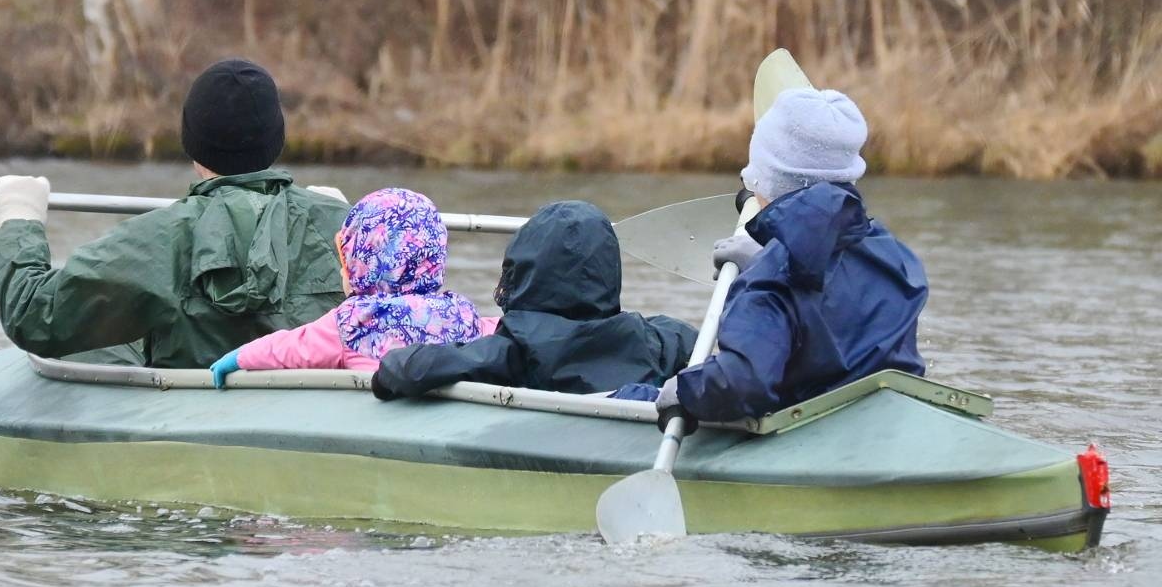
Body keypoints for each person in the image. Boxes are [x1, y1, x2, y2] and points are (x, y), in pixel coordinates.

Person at [0, 59, 350, 367]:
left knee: (97, 343)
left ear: (193, 145)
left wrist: (20, 218)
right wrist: (339, 214)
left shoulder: (160, 236)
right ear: (277, 139)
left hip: (197, 413)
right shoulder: (351, 227)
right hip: (313, 404)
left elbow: (33, 317)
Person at [614, 87, 929, 428]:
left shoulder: (771, 278)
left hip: (800, 431)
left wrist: (684, 390)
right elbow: (836, 303)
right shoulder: (895, 254)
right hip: (881, 419)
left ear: (767, 180)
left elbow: (743, 384)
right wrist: (770, 259)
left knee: (636, 394)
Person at [371, 200, 698, 399]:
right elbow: (696, 342)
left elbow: (407, 369)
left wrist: (389, 371)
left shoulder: (513, 348)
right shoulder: (659, 338)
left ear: (525, 270)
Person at [208, 187, 486, 385]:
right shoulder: (460, 312)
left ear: (360, 262)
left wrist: (237, 358)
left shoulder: (353, 321)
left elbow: (289, 348)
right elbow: (497, 331)